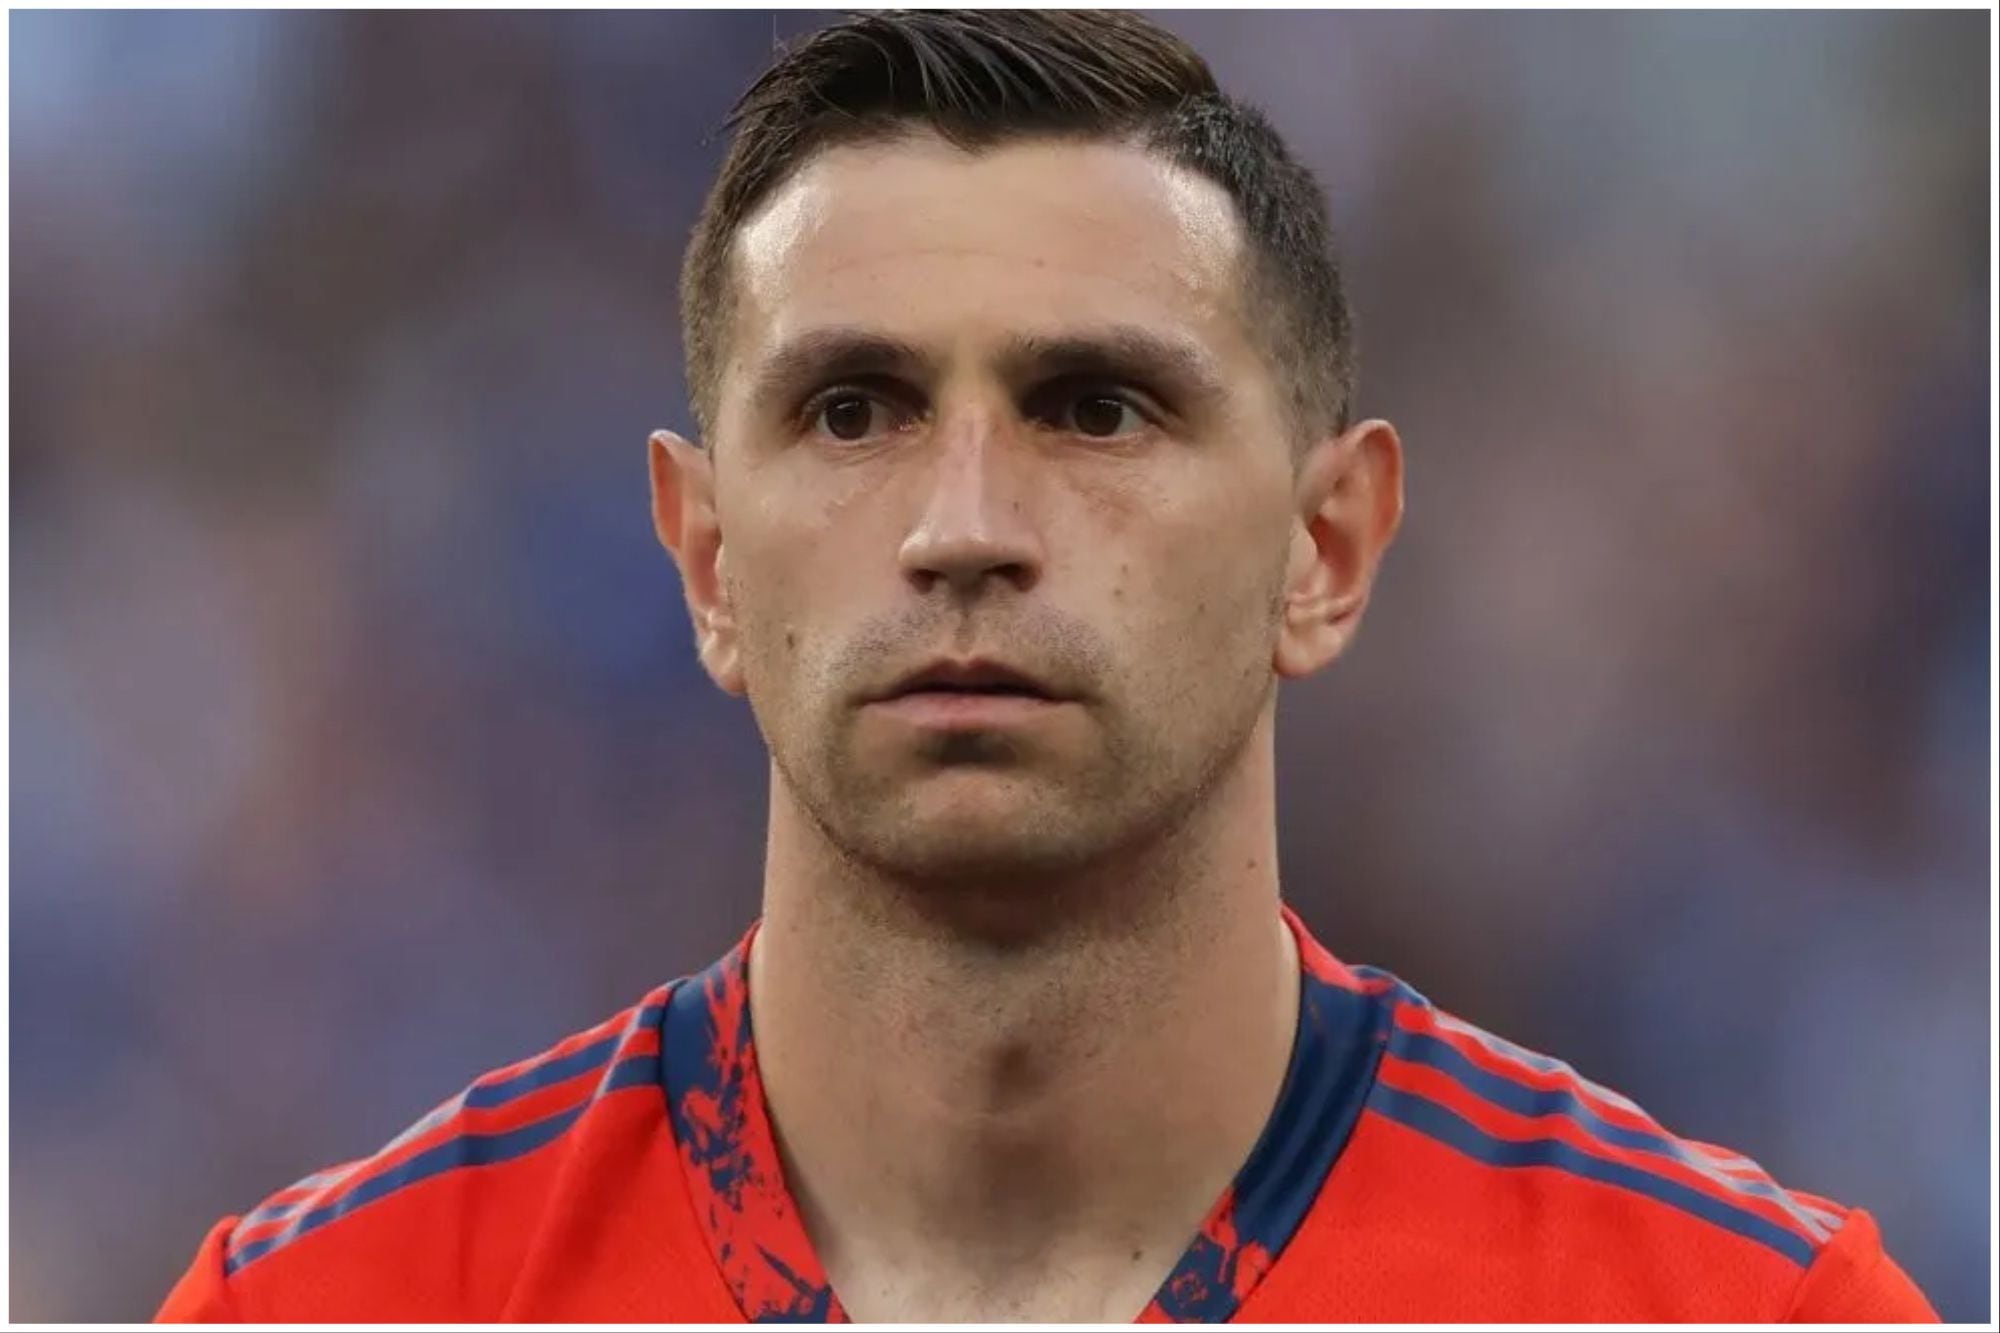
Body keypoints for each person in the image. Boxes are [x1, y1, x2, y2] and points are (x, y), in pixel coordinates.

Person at [158, 10, 1937, 1323]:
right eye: (852, 410)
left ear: (1325, 549)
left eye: (1096, 408)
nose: (965, 527)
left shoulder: (1736, 1307)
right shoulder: (331, 1303)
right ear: (705, 558)